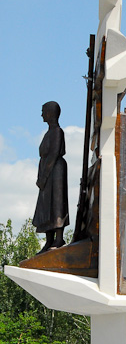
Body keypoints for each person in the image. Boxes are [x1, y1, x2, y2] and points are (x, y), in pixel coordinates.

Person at [32, 101, 69, 253]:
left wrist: (44, 177)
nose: (41, 114)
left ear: (50, 113)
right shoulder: (49, 133)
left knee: (57, 204)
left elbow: (53, 154)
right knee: (46, 206)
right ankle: (49, 240)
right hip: (48, 171)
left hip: (55, 171)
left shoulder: (57, 132)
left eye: (43, 111)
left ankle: (59, 238)